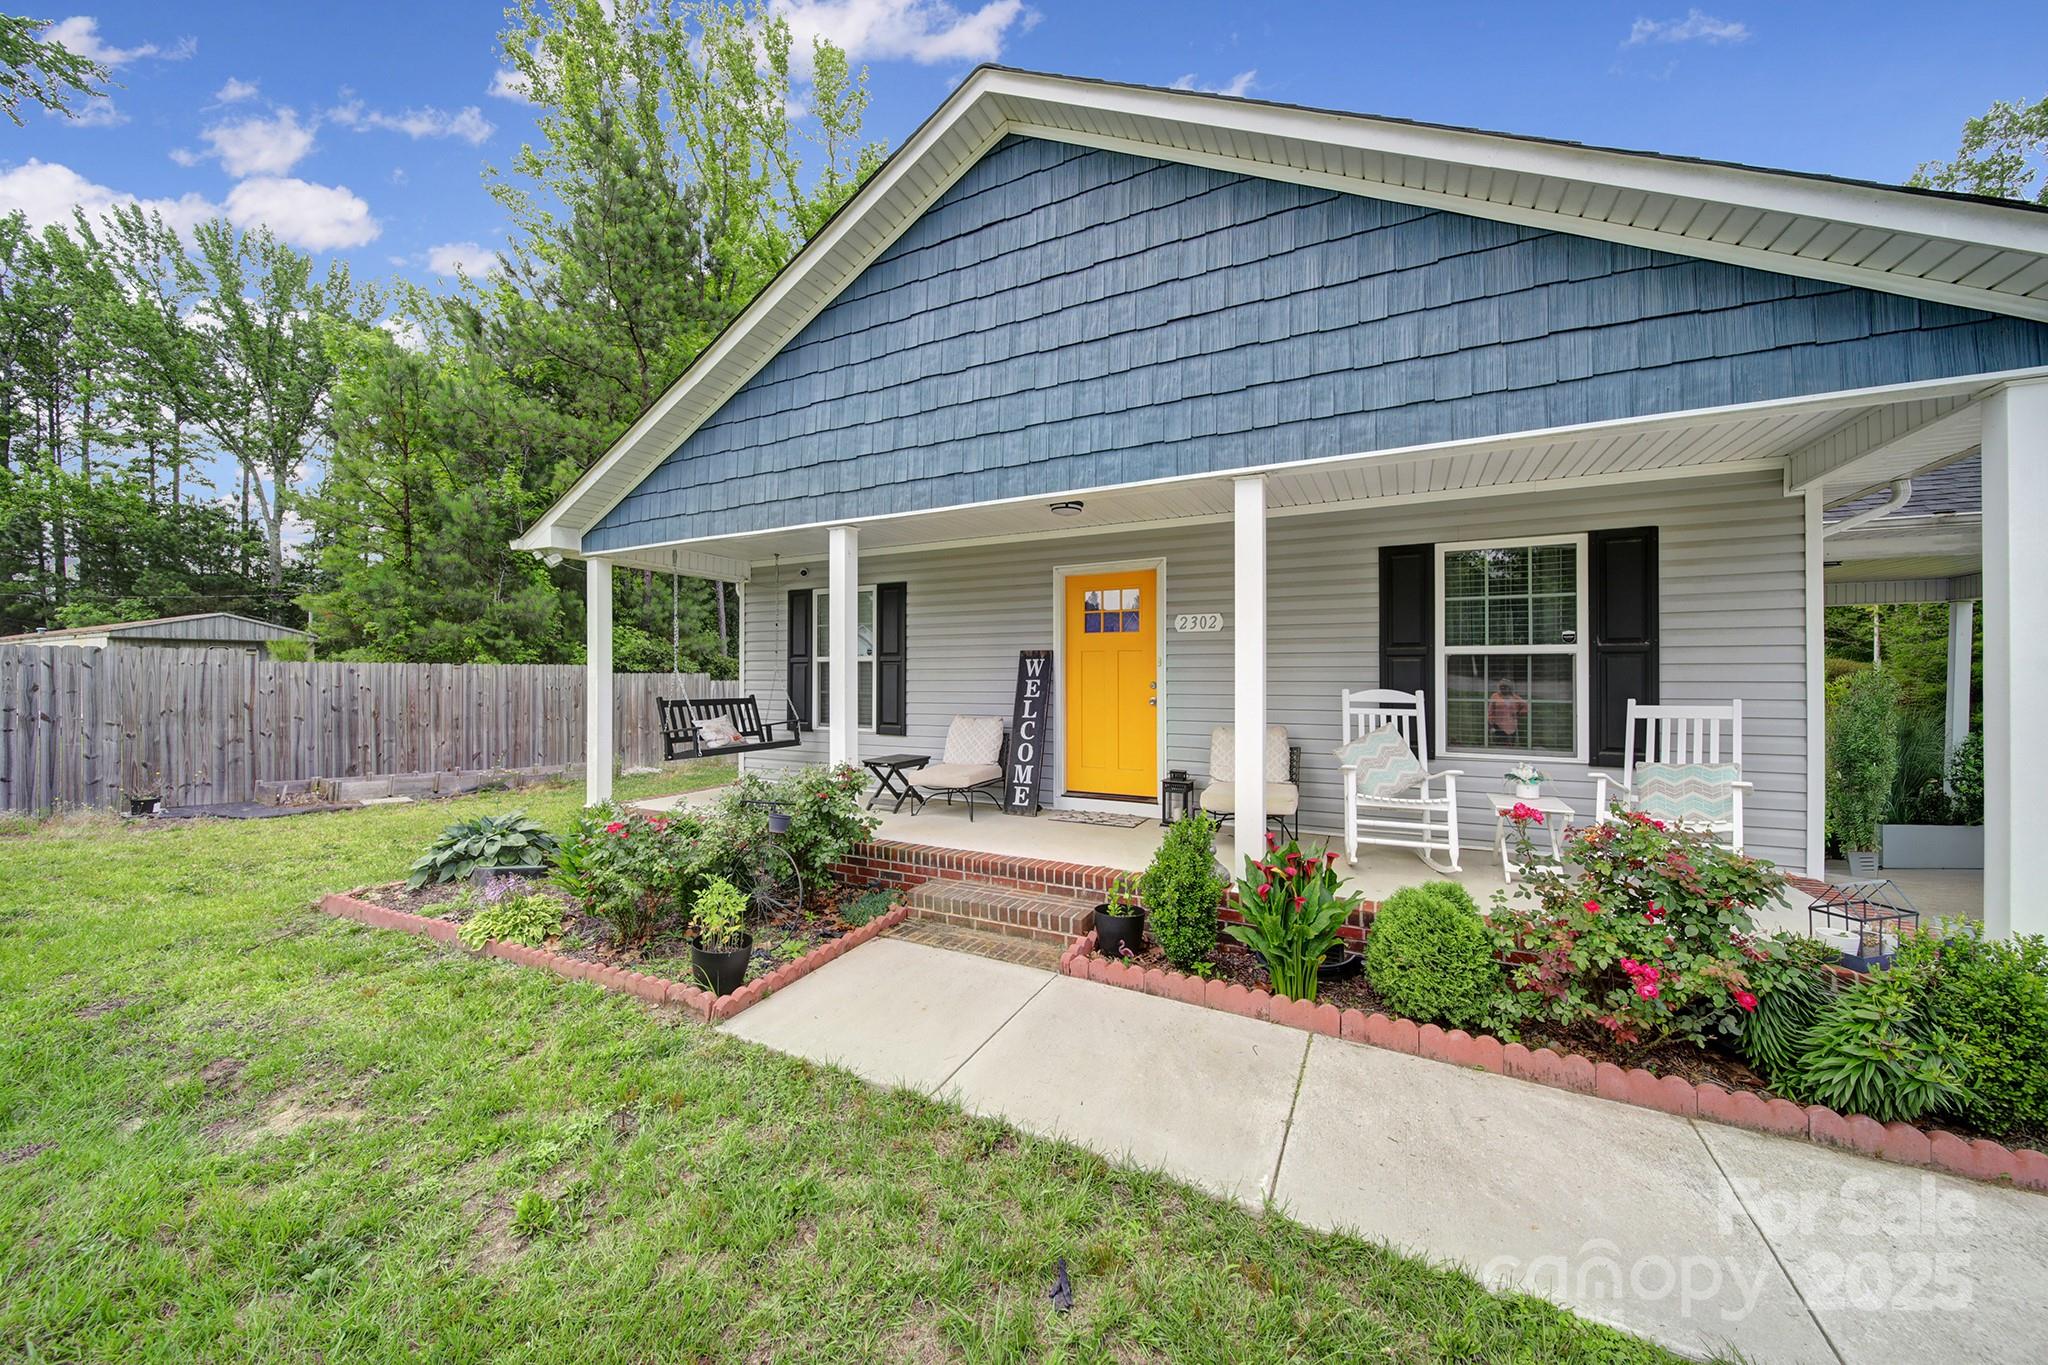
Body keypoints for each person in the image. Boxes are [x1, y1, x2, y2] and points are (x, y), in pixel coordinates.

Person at [1487, 679, 1528, 745]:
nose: (1502, 688)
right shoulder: (1495, 696)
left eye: (1504, 686)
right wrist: (1491, 725)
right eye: (1501, 686)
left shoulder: (1515, 697)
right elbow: (1490, 711)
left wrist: (1519, 714)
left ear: (1509, 687)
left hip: (1512, 726)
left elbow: (1526, 706)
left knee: (1511, 746)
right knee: (1500, 745)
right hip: (1498, 725)